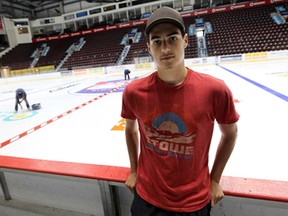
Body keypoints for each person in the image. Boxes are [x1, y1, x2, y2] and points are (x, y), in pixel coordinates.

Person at [121, 6, 239, 216]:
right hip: (146, 199)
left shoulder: (215, 90)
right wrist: (133, 170)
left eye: (172, 38)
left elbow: (230, 134)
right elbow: (130, 130)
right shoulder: (133, 92)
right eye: (157, 41)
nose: (165, 48)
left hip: (194, 202)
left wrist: (214, 179)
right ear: (149, 48)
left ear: (185, 40)